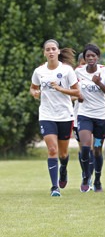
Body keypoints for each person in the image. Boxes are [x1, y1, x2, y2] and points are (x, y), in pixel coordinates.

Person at [30, 39, 80, 196]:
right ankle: (54, 187)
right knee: (52, 149)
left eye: (53, 49)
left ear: (58, 51)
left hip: (65, 115)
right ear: (44, 52)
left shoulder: (67, 71)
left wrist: (60, 88)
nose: (51, 52)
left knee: (63, 154)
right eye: (48, 49)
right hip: (46, 115)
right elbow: (33, 88)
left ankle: (63, 168)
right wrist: (35, 93)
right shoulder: (39, 71)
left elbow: (77, 92)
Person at [75, 44, 105, 192]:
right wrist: (78, 96)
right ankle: (86, 176)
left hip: (102, 117)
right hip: (85, 115)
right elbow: (73, 88)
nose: (90, 58)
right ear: (84, 58)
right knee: (85, 147)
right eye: (88, 56)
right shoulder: (78, 72)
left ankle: (97, 180)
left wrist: (98, 82)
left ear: (98, 57)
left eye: (93, 56)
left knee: (97, 149)